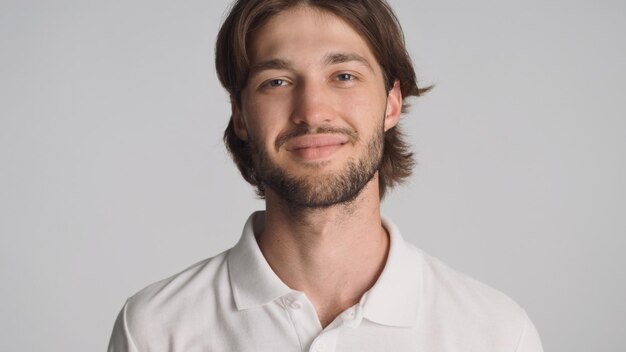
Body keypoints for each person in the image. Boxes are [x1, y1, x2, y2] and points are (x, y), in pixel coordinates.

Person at [108, 0, 544, 351]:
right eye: (276, 82)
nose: (312, 112)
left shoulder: (496, 335)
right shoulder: (153, 331)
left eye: (344, 75)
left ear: (391, 103)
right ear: (240, 115)